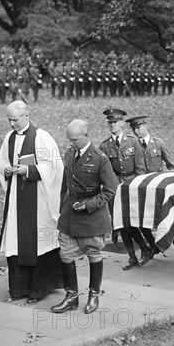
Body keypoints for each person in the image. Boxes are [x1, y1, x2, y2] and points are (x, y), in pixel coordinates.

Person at [0, 101, 64, 303]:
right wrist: (7, 170)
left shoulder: (42, 137)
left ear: (27, 116)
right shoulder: (9, 138)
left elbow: (54, 167)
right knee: (17, 240)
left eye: (14, 120)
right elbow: (1, 162)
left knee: (38, 241)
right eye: (9, 120)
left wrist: (28, 170)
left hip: (38, 200)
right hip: (17, 198)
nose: (11, 124)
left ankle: (38, 289)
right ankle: (18, 289)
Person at [51, 120, 119, 315]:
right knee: (65, 255)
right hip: (70, 214)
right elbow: (66, 184)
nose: (71, 143)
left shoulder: (100, 158)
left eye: (74, 139)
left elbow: (110, 190)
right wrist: (62, 207)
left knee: (94, 254)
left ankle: (93, 295)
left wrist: (89, 204)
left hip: (92, 216)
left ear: (86, 135)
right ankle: (71, 296)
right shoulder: (70, 153)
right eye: (69, 139)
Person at [98, 108, 149, 270]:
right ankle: (132, 256)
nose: (112, 125)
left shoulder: (133, 142)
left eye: (115, 122)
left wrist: (136, 186)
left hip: (131, 184)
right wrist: (113, 187)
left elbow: (140, 168)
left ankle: (144, 247)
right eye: (110, 123)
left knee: (132, 221)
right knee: (120, 223)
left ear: (122, 123)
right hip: (115, 187)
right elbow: (105, 171)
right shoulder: (104, 146)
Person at [126, 114, 174, 257]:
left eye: (139, 127)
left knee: (164, 218)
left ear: (146, 126)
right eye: (134, 129)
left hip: (158, 189)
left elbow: (172, 166)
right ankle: (152, 246)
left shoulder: (158, 143)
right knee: (142, 220)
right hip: (142, 188)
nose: (136, 131)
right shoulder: (133, 146)